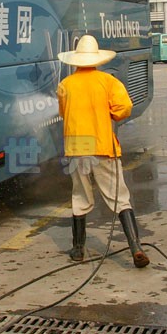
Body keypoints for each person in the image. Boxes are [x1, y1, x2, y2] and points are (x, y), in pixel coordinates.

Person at [57, 34, 150, 268]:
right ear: (97, 60)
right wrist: (110, 114)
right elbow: (124, 108)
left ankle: (78, 250)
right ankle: (136, 248)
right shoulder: (108, 81)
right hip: (102, 146)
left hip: (77, 148)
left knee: (80, 197)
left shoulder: (66, 85)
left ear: (76, 60)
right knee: (119, 197)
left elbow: (63, 112)